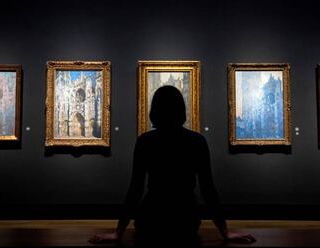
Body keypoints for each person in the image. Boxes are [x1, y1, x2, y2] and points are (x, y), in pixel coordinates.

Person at [89, 86, 256, 246]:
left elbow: (135, 188)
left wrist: (118, 232)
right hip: (185, 219)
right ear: (181, 110)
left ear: (155, 110)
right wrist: (225, 231)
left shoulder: (145, 141)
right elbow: (208, 188)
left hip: (151, 219)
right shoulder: (197, 141)